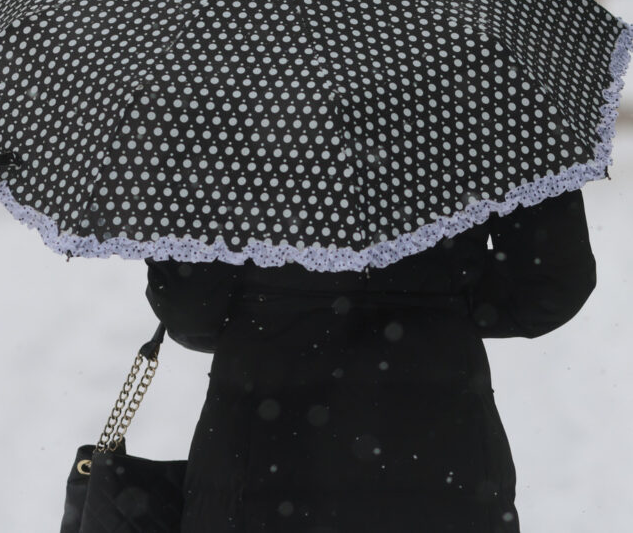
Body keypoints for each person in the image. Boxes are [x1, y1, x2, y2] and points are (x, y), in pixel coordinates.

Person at [145, 187, 597, 532]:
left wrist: (270, 305)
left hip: (256, 457)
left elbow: (190, 306)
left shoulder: (229, 92)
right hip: (443, 458)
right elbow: (550, 285)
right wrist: (440, 302)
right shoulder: (479, 89)